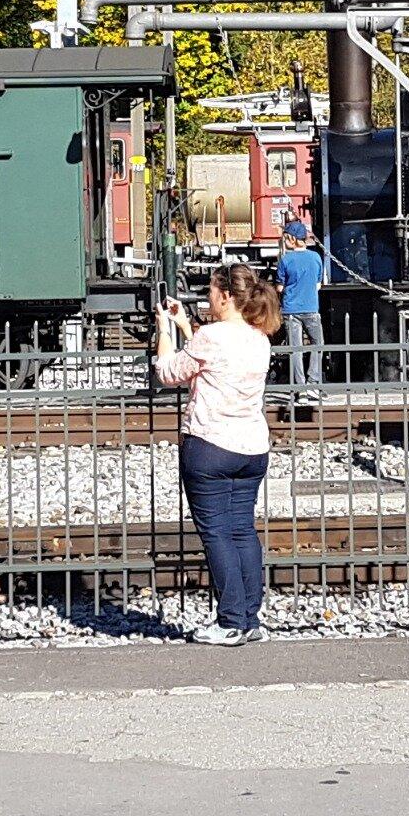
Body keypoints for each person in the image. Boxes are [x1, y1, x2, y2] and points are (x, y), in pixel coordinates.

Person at [154, 262, 282, 646]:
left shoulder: (211, 336)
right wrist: (185, 328)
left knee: (217, 535)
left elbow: (169, 371)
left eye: (210, 290)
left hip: (209, 446)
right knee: (242, 530)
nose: (206, 296)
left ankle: (229, 622)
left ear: (226, 295)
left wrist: (164, 331)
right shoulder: (260, 338)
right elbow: (213, 360)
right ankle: (249, 619)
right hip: (252, 449)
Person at [273, 216, 331, 410]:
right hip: (311, 309)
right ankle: (314, 383)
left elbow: (280, 288)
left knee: (295, 349)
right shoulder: (315, 257)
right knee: (317, 344)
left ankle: (301, 389)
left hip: (291, 310)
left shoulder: (286, 260)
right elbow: (318, 285)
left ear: (290, 239)